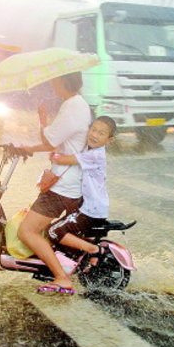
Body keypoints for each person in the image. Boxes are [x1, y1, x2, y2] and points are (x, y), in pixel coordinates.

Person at [19, 71, 92, 295]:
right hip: (70, 180)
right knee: (47, 229)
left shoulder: (72, 107)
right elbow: (59, 143)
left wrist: (41, 117)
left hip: (62, 186)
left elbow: (49, 139)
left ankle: (61, 278)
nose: (52, 84)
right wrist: (26, 148)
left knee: (27, 231)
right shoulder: (77, 105)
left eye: (54, 80)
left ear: (63, 82)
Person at [46, 116, 116, 272]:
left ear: (109, 140)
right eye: (93, 130)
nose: (95, 135)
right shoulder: (90, 149)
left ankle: (94, 250)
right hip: (89, 206)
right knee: (61, 230)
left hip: (90, 210)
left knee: (53, 231)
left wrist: (55, 155)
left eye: (101, 133)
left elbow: (65, 160)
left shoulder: (95, 155)